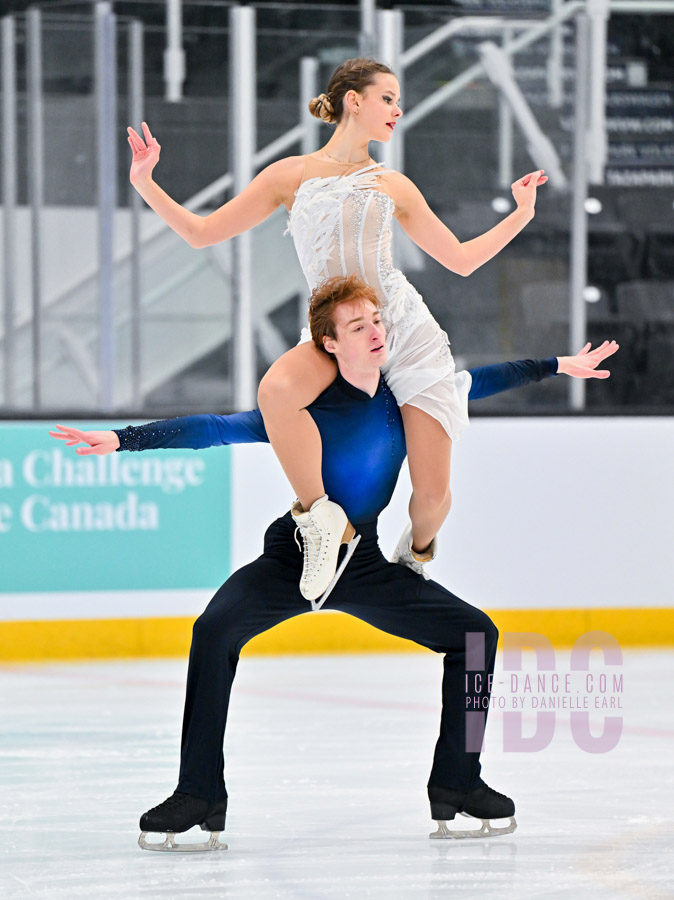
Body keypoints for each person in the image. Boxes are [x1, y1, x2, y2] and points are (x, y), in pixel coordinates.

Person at [50, 277, 618, 851]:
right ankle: (199, 793)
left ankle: (459, 781)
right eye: (357, 326)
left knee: (475, 636)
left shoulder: (407, 398)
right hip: (296, 553)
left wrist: (556, 365)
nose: (375, 331)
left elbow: (472, 382)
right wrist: (124, 440)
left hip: (364, 560)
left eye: (376, 320)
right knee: (213, 631)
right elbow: (217, 428)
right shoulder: (307, 411)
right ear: (328, 344)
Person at [126, 57, 549, 604]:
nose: (399, 109)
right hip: (336, 332)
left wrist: (521, 213)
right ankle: (321, 517)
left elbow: (462, 260)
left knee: (432, 496)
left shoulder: (394, 184)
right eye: (389, 98)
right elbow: (203, 233)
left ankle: (415, 555)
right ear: (354, 100)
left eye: (398, 101)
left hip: (404, 331)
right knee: (277, 391)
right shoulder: (289, 176)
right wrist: (146, 183)